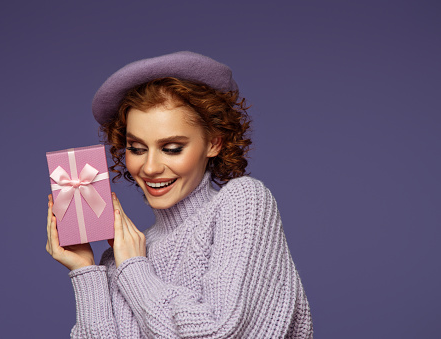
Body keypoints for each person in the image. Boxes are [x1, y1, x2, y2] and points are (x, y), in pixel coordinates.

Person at [46, 51, 313, 338]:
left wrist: (134, 269)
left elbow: (220, 331)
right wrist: (87, 272)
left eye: (172, 148)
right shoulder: (120, 256)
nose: (149, 167)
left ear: (214, 143)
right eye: (136, 148)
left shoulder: (242, 201)